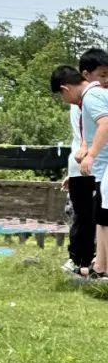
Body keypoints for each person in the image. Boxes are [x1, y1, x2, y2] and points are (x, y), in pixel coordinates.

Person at [54, 57, 108, 277]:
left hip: (100, 166)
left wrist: (91, 155)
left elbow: (105, 123)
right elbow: (86, 132)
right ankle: (100, 266)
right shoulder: (87, 100)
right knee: (102, 215)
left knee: (98, 215)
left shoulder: (92, 96)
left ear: (65, 88)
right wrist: (85, 150)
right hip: (97, 168)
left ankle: (98, 265)